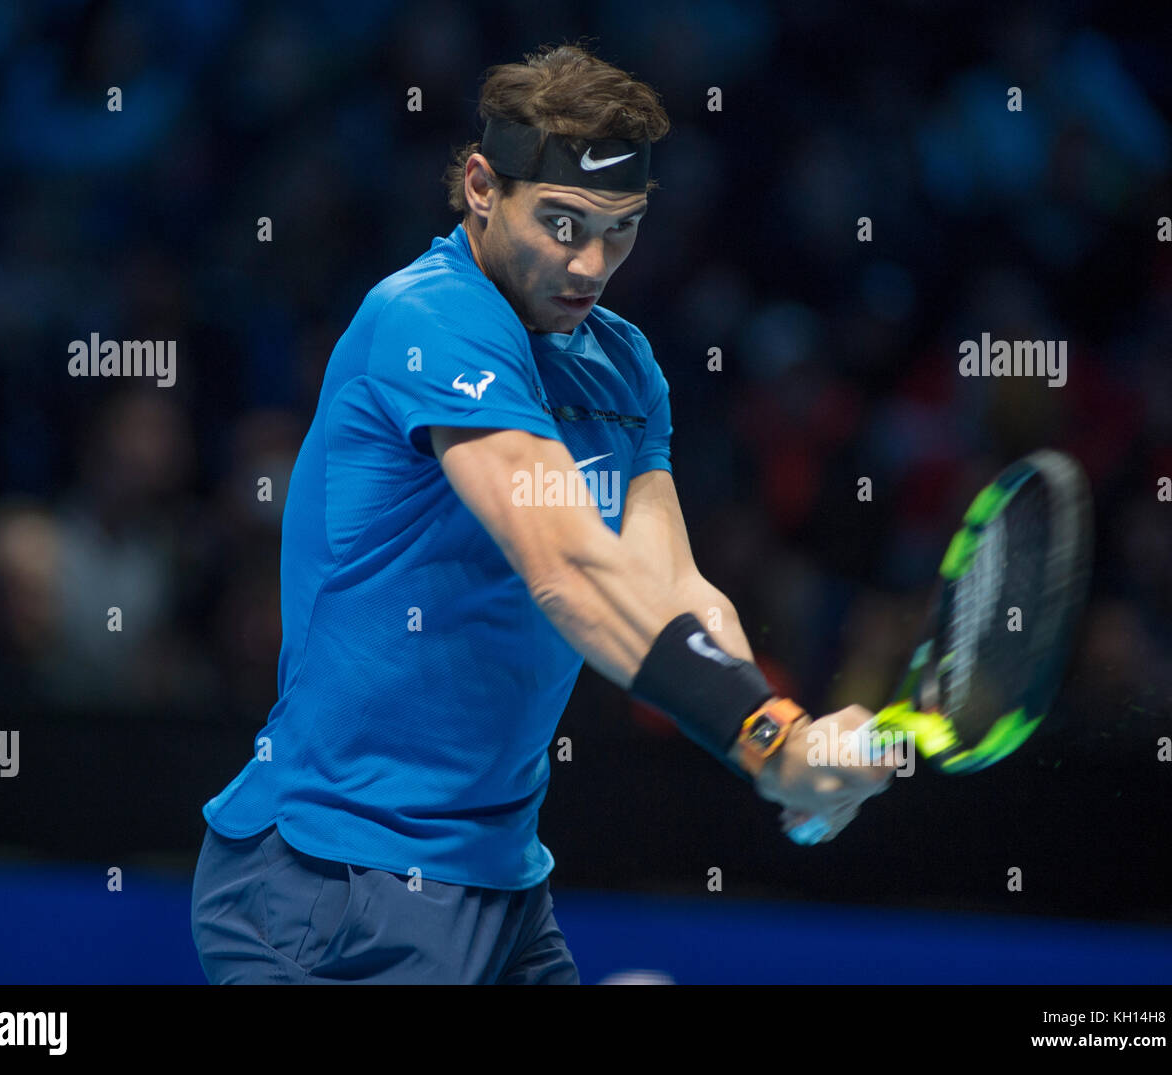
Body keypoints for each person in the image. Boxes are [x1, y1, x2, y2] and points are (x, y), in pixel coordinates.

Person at [190, 42, 890, 985]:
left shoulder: (625, 364)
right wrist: (766, 740)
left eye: (623, 228)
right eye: (563, 223)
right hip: (335, 878)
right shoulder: (425, 317)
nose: (593, 263)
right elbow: (565, 560)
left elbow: (667, 585)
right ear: (482, 186)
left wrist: (786, 727)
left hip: (505, 887)